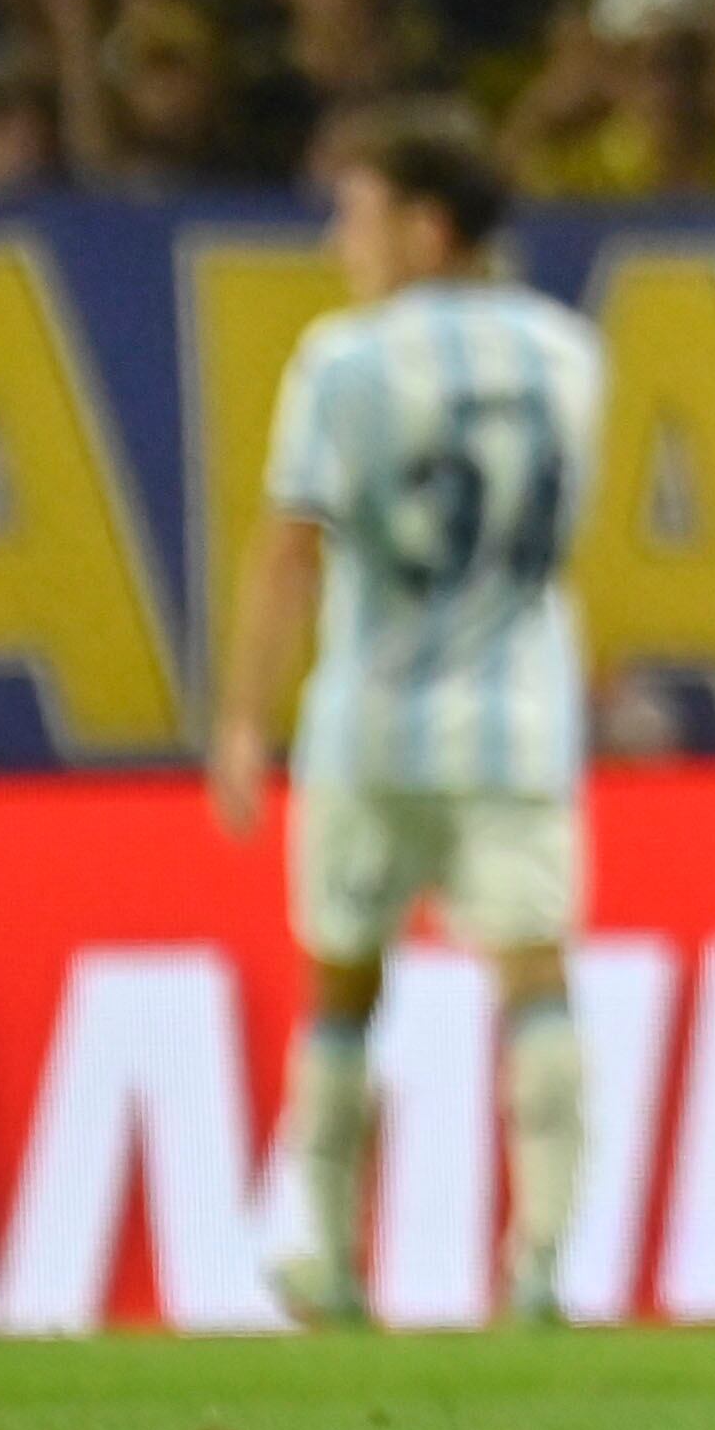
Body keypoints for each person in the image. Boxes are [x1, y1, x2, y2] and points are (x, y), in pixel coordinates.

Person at [211, 102, 606, 1329]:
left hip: (371, 724)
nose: (342, 242)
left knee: (343, 983)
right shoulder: (568, 353)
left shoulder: (345, 359)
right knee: (535, 980)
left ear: (429, 228)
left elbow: (290, 546)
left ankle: (330, 1260)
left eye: (360, 215)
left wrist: (240, 716)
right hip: (519, 718)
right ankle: (542, 1266)